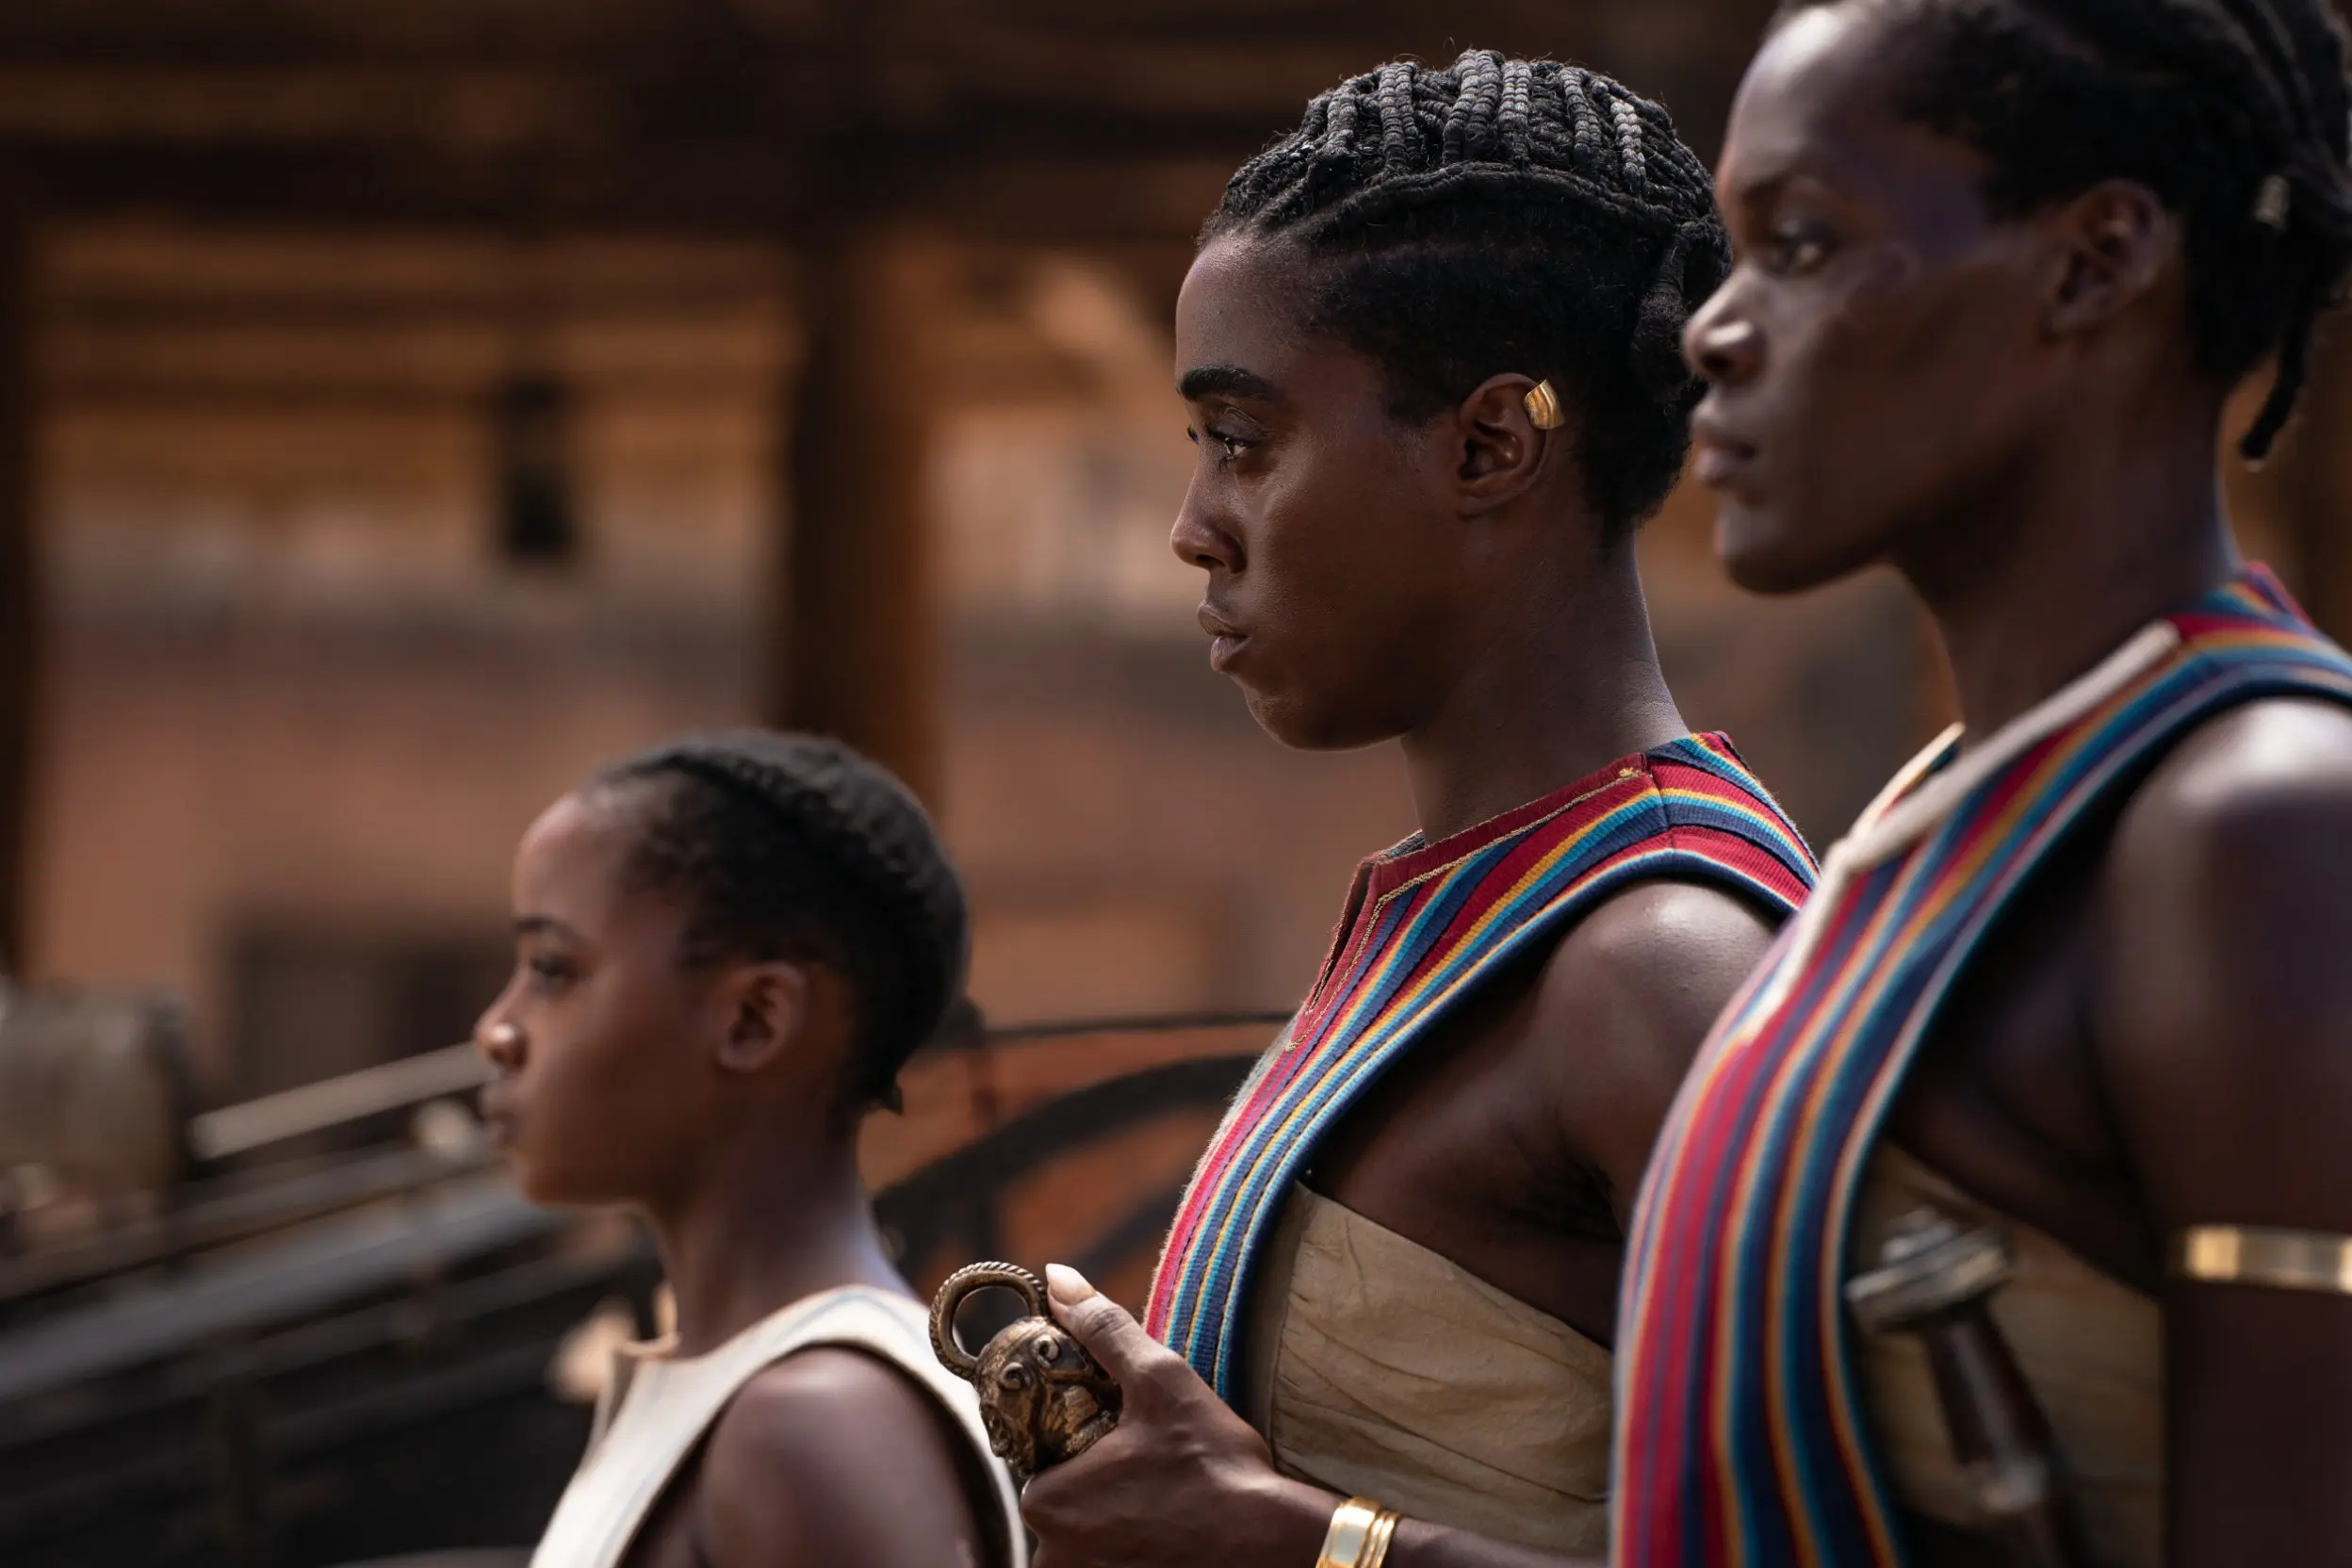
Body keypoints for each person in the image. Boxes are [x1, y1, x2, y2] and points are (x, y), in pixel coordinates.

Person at [1018, 51, 1818, 1568]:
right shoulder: (1460, 908)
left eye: (1244, 443)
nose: (1197, 530)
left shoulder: (1660, 965)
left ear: (1491, 446)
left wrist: (1295, 1540)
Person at [1616, 2, 2352, 1563]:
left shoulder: (2262, 823)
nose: (1713, 327)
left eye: (1800, 245)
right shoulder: (1933, 815)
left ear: (2092, 264)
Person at [476, 732, 1024, 1568]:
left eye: (553, 969)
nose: (498, 1030)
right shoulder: (744, 1391)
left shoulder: (816, 1424)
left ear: (754, 1019)